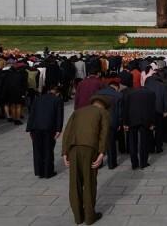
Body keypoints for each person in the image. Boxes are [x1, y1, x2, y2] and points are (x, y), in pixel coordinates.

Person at [62, 95, 109, 225]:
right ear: (104, 105)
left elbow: (67, 132)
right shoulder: (103, 112)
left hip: (73, 148)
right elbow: (104, 134)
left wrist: (64, 152)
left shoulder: (78, 111)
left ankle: (78, 217)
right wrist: (101, 153)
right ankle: (89, 217)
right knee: (89, 183)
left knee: (74, 183)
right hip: (90, 149)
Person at [26, 84, 64, 178]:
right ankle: (48, 172)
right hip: (49, 128)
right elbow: (59, 115)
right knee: (48, 149)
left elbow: (32, 114)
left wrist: (29, 128)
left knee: (38, 150)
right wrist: (58, 129)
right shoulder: (58, 100)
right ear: (58, 93)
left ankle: (40, 171)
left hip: (36, 127)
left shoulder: (37, 99)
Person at [123, 85, 156, 170]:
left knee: (132, 143)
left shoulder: (130, 94)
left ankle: (134, 163)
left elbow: (125, 108)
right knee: (144, 142)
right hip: (145, 120)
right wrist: (152, 122)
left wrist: (125, 122)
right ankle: (143, 163)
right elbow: (152, 109)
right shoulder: (151, 93)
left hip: (132, 119)